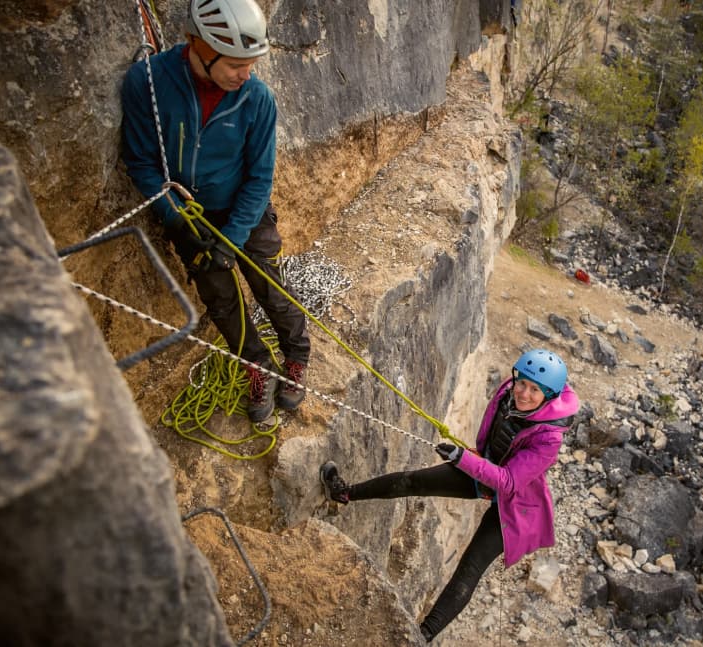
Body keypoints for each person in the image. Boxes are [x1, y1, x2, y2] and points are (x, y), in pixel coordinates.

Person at [121, 0, 310, 422]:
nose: (246, 75)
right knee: (221, 301)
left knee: (270, 287)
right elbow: (142, 163)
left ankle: (297, 355)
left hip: (246, 212)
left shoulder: (257, 99)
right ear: (200, 47)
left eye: (251, 64)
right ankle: (258, 365)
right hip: (190, 218)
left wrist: (234, 238)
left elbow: (259, 179)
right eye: (236, 65)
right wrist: (176, 217)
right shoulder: (148, 83)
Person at [320, 349, 580, 642]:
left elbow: (509, 483)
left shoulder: (549, 438)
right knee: (414, 481)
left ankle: (420, 637)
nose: (523, 393)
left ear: (549, 396)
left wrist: (464, 460)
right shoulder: (508, 391)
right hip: (485, 470)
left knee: (469, 569)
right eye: (522, 383)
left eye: (534, 390)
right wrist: (474, 457)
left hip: (517, 504)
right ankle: (343, 494)